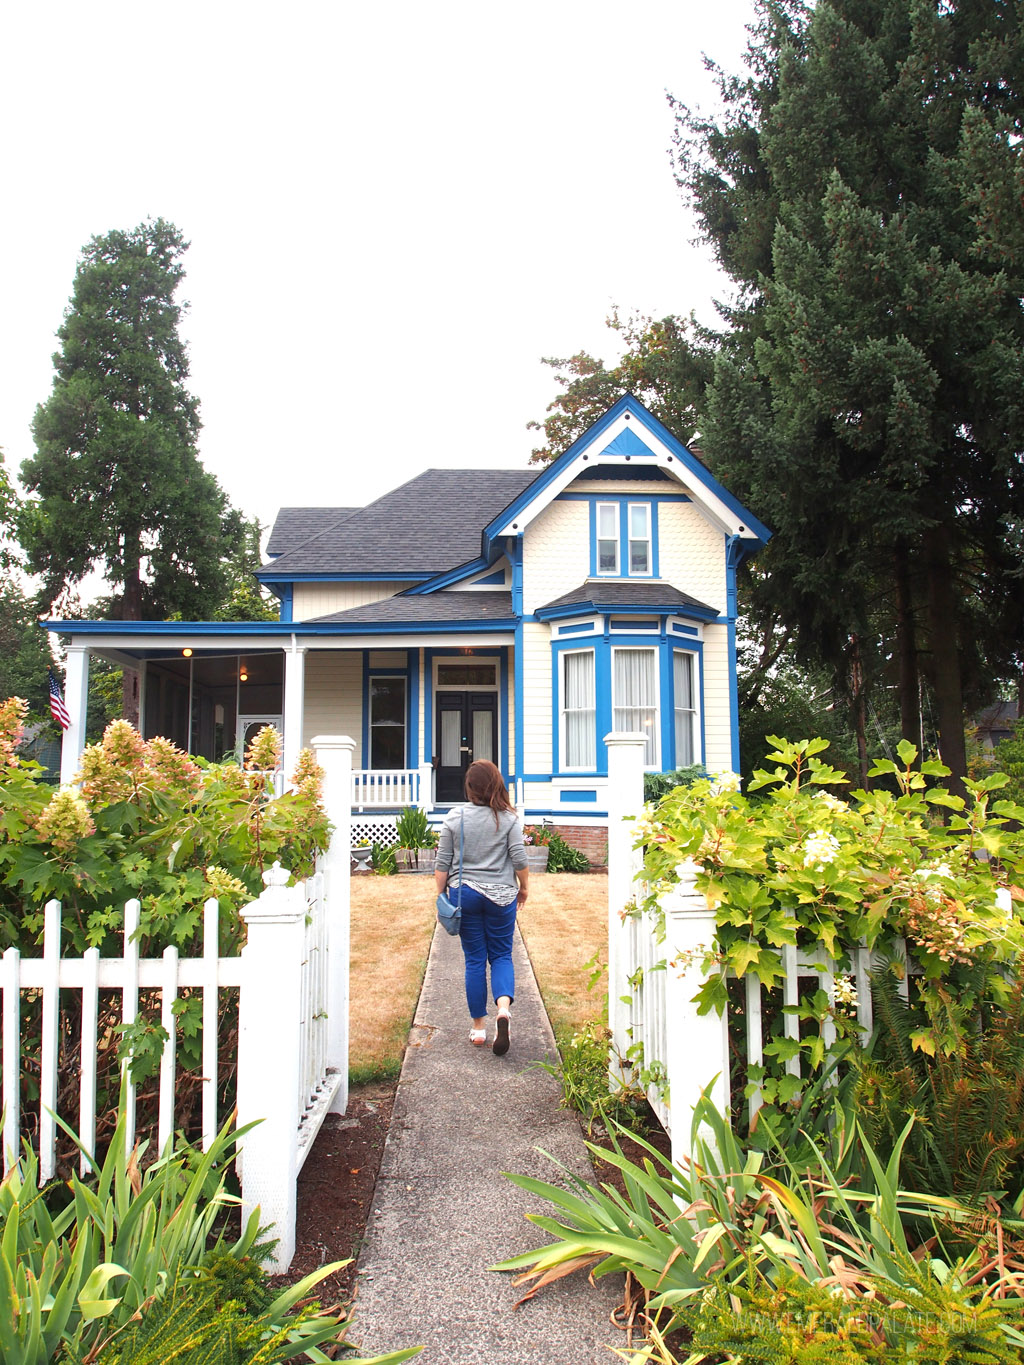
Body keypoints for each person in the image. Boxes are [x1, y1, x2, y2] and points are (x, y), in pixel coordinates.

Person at [433, 760, 528, 1055]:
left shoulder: (454, 817)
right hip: (502, 896)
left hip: (466, 894)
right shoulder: (509, 819)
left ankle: (478, 1028)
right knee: (501, 954)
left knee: (474, 960)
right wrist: (523, 888)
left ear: (470, 788)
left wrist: (441, 895)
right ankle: (503, 1009)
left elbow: (442, 863)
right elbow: (519, 859)